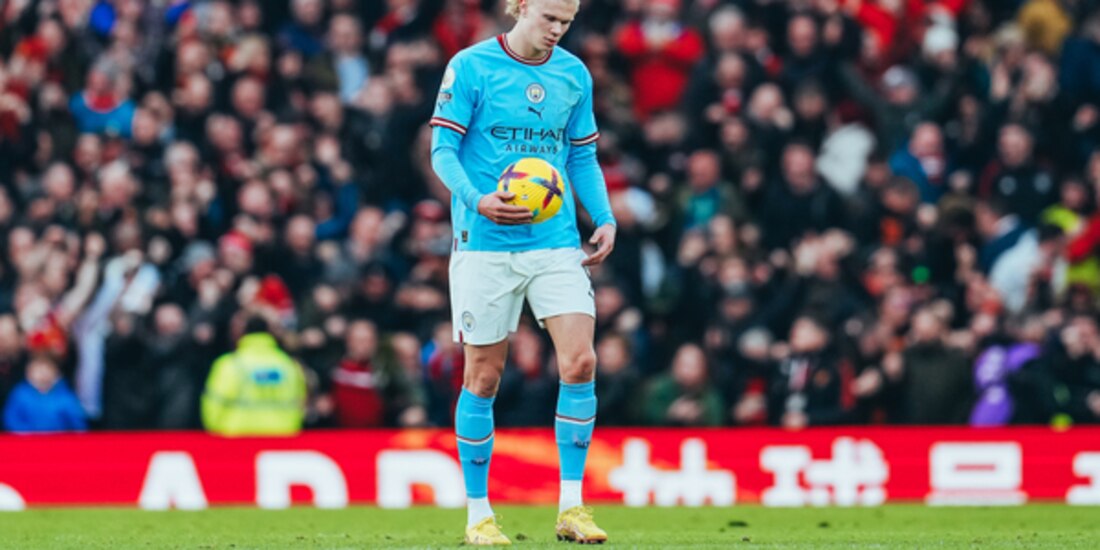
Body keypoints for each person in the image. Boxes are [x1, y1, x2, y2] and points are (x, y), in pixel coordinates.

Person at [429, 0, 616, 544]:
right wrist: (476, 199)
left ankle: (573, 508)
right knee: (483, 376)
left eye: (567, 22)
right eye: (549, 18)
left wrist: (602, 218)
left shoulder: (573, 74)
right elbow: (443, 148)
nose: (557, 30)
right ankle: (479, 515)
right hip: (484, 243)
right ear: (521, 8)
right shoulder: (471, 66)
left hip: (554, 242)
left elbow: (581, 156)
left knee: (580, 360)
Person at [200, 316, 307, 437]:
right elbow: (300, 403)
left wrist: (216, 431)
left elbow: (214, 403)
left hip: (237, 439)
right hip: (282, 438)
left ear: (243, 334)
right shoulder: (288, 365)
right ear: (269, 334)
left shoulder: (230, 365)